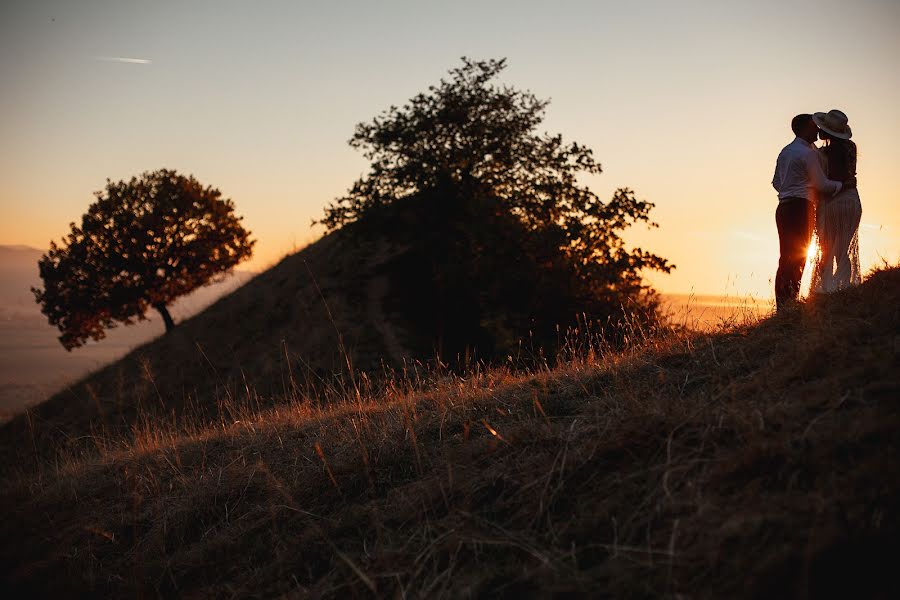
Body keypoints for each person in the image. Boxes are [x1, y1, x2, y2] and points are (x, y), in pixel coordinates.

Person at [771, 114, 843, 312]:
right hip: (801, 207)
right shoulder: (808, 154)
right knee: (797, 257)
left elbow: (776, 182)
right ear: (803, 129)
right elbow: (821, 184)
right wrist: (841, 185)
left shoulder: (786, 151)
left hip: (783, 207)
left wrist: (791, 187)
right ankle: (790, 304)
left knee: (785, 257)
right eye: (813, 126)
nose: (817, 129)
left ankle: (783, 305)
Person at [810, 109, 862, 293]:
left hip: (834, 201)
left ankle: (827, 289)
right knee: (842, 250)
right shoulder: (851, 147)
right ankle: (844, 288)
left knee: (827, 249)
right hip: (852, 200)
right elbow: (849, 177)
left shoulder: (823, 153)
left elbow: (829, 180)